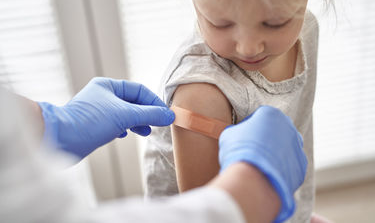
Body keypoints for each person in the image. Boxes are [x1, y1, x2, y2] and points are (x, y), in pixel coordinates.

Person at [143, 0, 333, 222]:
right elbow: (211, 216)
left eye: (275, 23)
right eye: (220, 22)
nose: (249, 48)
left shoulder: (307, 29)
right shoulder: (201, 93)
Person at [0, 77, 307, 223]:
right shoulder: (200, 86)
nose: (249, 47)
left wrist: (46, 123)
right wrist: (245, 196)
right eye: (222, 23)